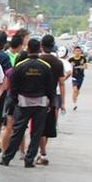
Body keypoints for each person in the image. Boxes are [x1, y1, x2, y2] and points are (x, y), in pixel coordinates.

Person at [0, 39, 55, 168]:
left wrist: (15, 100)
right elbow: (50, 87)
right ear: (39, 48)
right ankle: (29, 160)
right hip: (41, 103)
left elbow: (13, 87)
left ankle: (7, 158)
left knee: (17, 131)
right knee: (36, 133)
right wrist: (50, 103)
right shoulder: (45, 66)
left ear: (28, 49)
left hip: (23, 103)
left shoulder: (20, 66)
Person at [37, 34, 64, 166]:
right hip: (51, 99)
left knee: (36, 127)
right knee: (46, 128)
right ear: (53, 46)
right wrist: (62, 102)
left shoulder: (37, 60)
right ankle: (42, 152)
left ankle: (38, 152)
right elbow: (61, 83)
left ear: (41, 45)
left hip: (34, 97)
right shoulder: (58, 63)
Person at [69, 46, 87, 111]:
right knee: (75, 90)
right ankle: (74, 104)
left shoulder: (83, 59)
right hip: (73, 77)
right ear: (74, 51)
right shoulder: (71, 59)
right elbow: (67, 67)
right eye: (76, 51)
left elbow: (86, 67)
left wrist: (80, 67)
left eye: (79, 51)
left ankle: (75, 99)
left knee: (77, 91)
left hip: (81, 77)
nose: (77, 52)